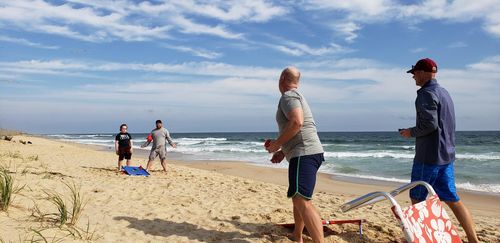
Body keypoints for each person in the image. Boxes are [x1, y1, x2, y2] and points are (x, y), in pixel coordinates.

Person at [399, 58, 478, 243]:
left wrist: (411, 132)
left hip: (428, 157)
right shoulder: (444, 93)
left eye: (415, 73)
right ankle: (474, 240)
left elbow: (430, 125)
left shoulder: (425, 94)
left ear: (424, 73)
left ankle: (421, 238)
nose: (413, 77)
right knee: (453, 199)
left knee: (417, 199)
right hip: (446, 156)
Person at [265, 67, 325, 243]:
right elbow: (302, 127)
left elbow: (297, 122)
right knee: (298, 198)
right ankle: (297, 235)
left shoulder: (288, 96)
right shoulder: (297, 96)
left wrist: (276, 144)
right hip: (307, 152)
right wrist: (283, 151)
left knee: (302, 201)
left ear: (282, 78)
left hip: (304, 154)